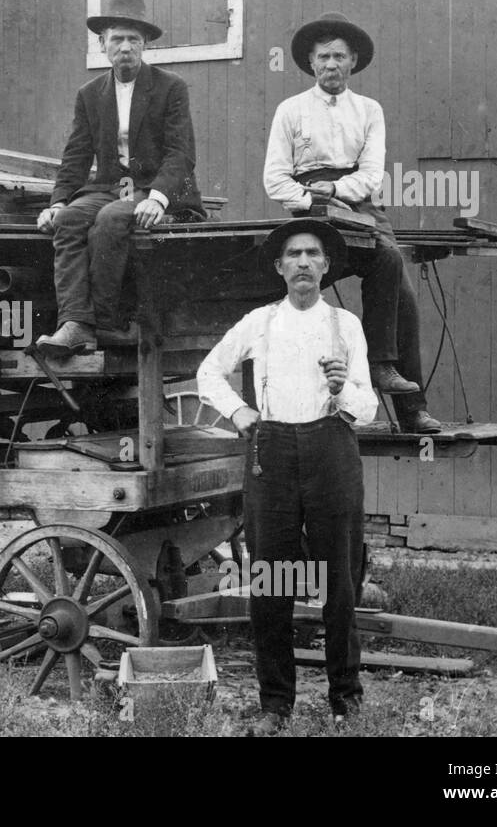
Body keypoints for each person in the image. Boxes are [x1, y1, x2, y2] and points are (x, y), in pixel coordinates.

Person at [197, 219, 376, 736]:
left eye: (312, 254)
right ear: (279, 267)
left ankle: (346, 698)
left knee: (339, 579)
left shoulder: (347, 326)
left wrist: (343, 389)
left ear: (325, 266)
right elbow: (210, 372)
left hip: (331, 450)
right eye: (293, 254)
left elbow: (366, 409)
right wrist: (238, 413)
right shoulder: (259, 322)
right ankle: (276, 704)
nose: (302, 262)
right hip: (271, 453)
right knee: (269, 581)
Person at [263, 12, 441, 433]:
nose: (331, 65)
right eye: (323, 57)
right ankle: (287, 411)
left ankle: (405, 400)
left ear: (353, 61)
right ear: (311, 62)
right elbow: (275, 177)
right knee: (286, 290)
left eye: (339, 57)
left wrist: (337, 191)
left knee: (396, 276)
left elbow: (372, 175)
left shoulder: (369, 110)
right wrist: (309, 197)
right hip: (307, 205)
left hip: (357, 201)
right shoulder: (290, 110)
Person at [34, 0, 201, 357]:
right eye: (117, 39)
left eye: (133, 40)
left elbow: (181, 152)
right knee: (70, 220)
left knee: (110, 220)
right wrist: (58, 202)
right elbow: (75, 156)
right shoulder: (90, 94)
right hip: (114, 187)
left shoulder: (170, 87)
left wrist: (159, 197)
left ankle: (106, 324)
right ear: (102, 44)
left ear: (144, 45)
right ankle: (74, 323)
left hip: (156, 189)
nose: (125, 47)